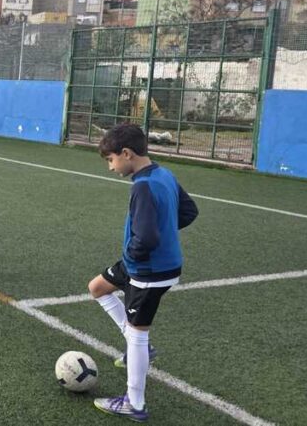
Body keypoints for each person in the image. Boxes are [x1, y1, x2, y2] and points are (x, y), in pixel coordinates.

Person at [89, 123, 198, 422]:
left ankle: (134, 403)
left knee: (137, 332)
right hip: (144, 264)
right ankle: (142, 349)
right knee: (97, 288)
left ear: (126, 153)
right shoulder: (163, 173)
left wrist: (136, 252)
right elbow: (189, 212)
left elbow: (147, 238)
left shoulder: (143, 186)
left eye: (111, 160)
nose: (110, 167)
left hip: (149, 270)